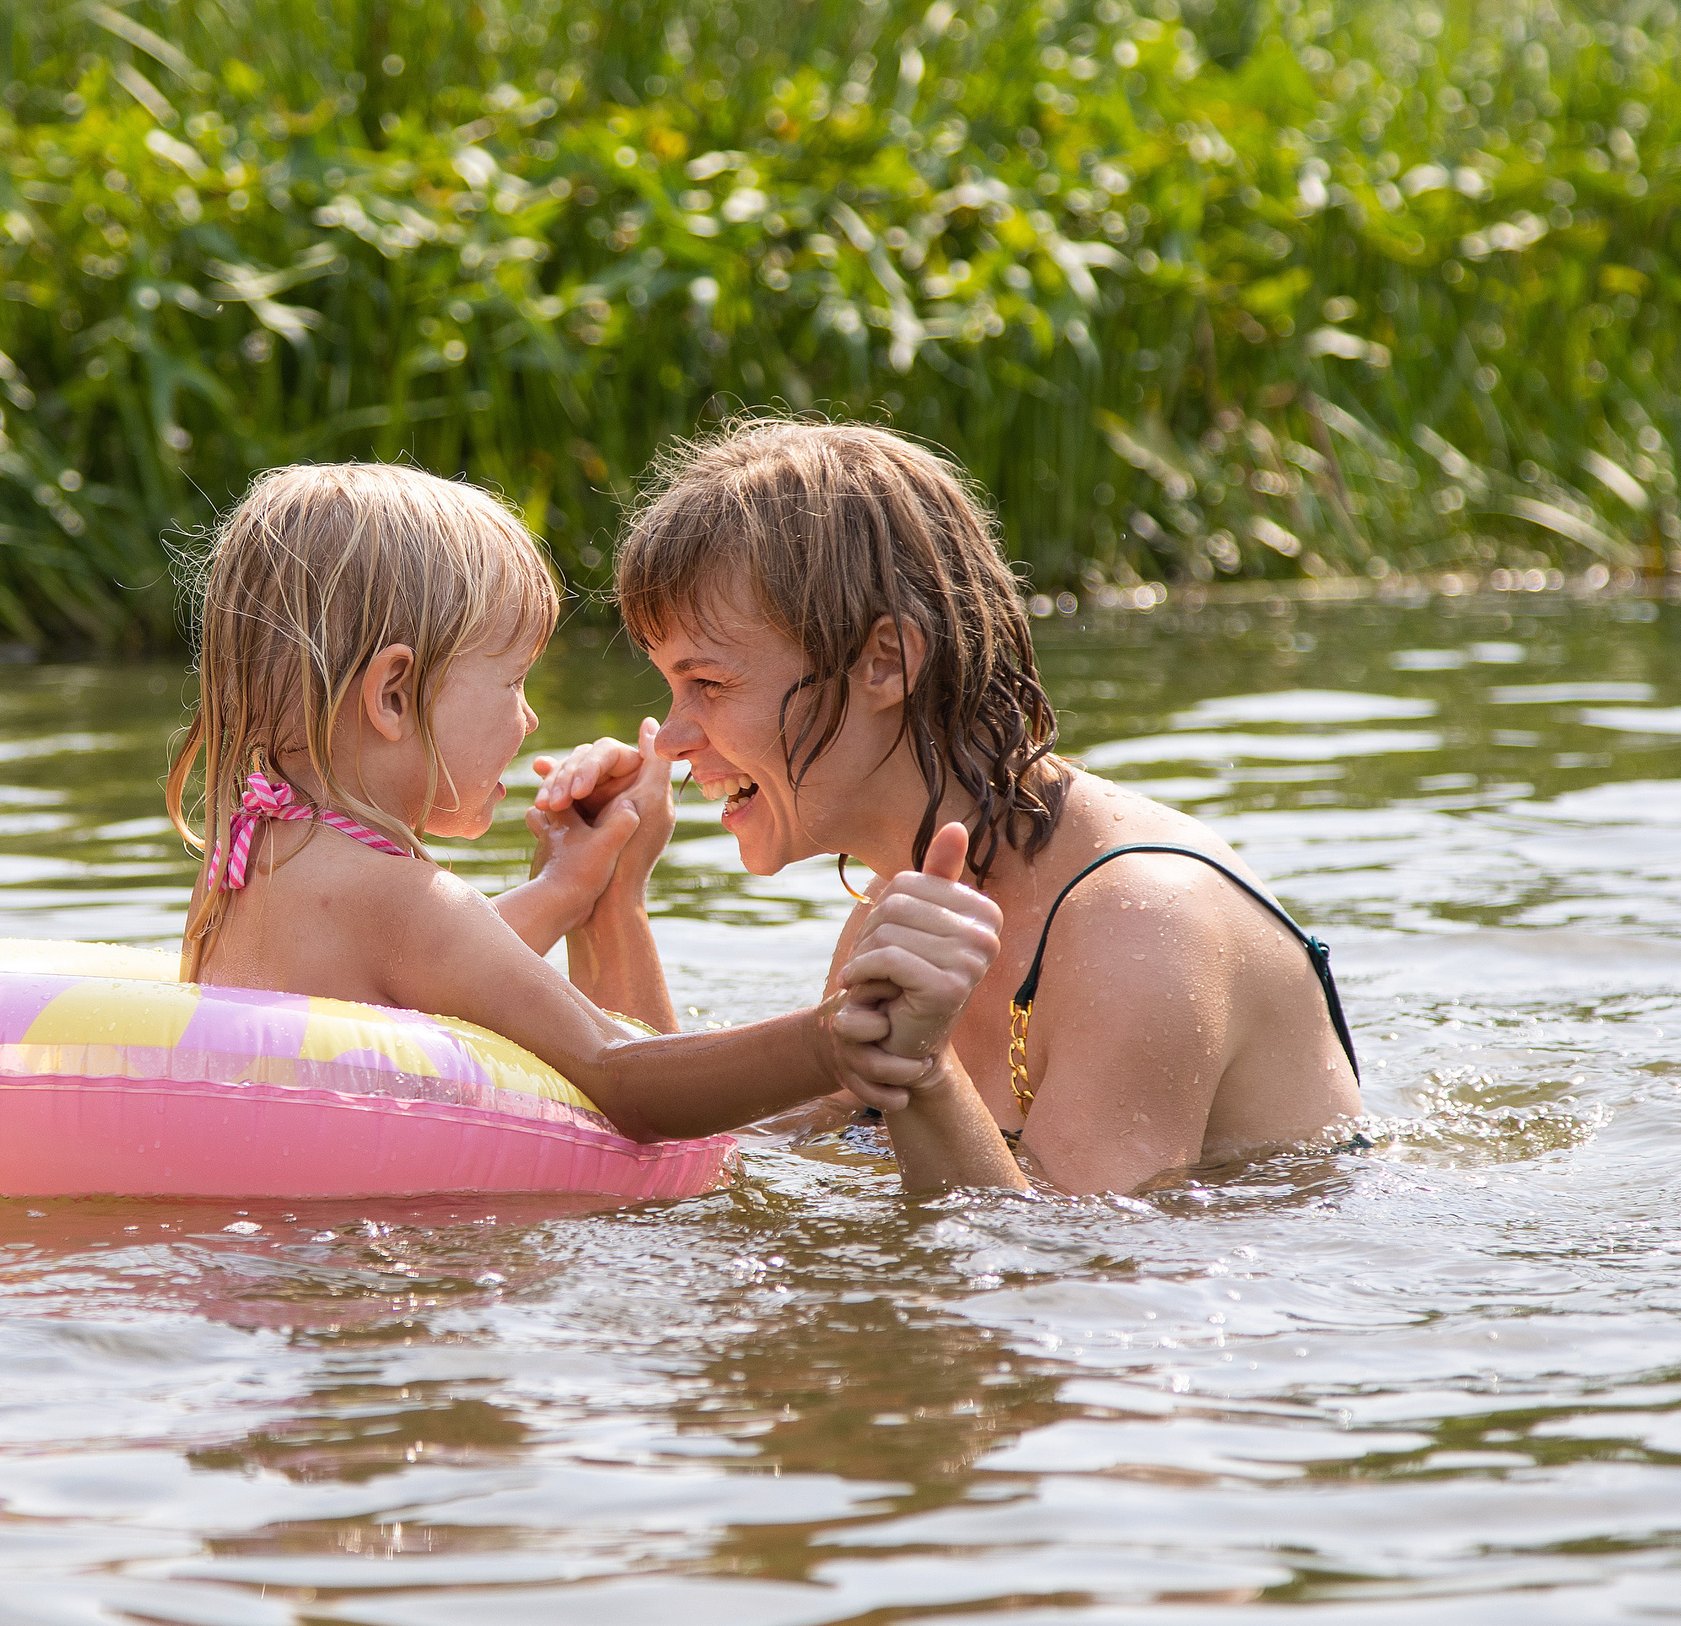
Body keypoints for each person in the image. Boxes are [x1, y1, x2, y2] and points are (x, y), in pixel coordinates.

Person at [531, 419, 1366, 1197]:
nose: (670, 739)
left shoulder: (1139, 921)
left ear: (885, 661)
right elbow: (709, 1149)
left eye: (707, 683)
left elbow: (1068, 1283)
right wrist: (607, 902)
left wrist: (918, 1068)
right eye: (670, 687)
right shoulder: (896, 909)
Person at [165, 459, 1012, 1177]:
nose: (529, 721)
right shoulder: (400, 899)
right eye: (511, 684)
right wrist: (829, 1044)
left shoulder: (259, 857)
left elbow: (423, 970)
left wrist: (574, 889)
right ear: (393, 694)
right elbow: (618, 1075)